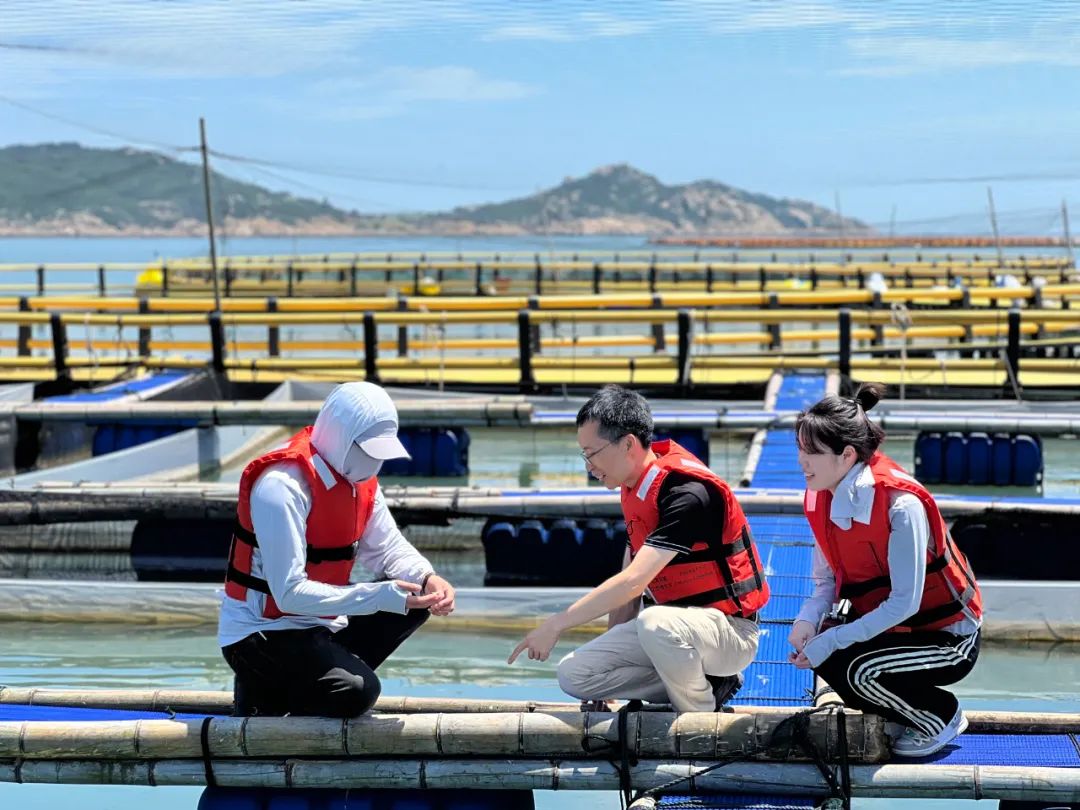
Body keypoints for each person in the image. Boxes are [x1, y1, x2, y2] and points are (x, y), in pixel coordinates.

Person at [509, 385, 768, 713]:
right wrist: (603, 683)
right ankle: (703, 683)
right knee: (574, 674)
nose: (588, 465)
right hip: (674, 632)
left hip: (730, 634)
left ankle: (699, 716)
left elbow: (633, 581)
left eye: (591, 453)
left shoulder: (687, 494)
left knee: (655, 622)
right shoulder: (635, 492)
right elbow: (629, 593)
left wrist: (556, 623)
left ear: (627, 443)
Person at [218, 381, 456, 717]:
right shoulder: (281, 487)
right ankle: (265, 689)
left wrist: (428, 577)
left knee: (416, 596)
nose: (375, 461)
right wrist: (376, 597)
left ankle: (289, 687)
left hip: (319, 626)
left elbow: (388, 548)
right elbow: (288, 593)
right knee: (359, 691)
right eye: (369, 450)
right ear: (340, 436)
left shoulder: (358, 481)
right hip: (263, 633)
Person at [789, 382, 982, 757]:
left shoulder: (900, 505)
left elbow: (904, 603)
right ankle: (901, 711)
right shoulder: (819, 497)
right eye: (799, 448)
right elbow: (825, 581)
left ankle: (938, 716)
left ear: (846, 455)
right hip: (895, 631)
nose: (801, 460)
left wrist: (834, 638)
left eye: (811, 451)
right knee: (824, 653)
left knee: (857, 670)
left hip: (947, 639)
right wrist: (808, 622)